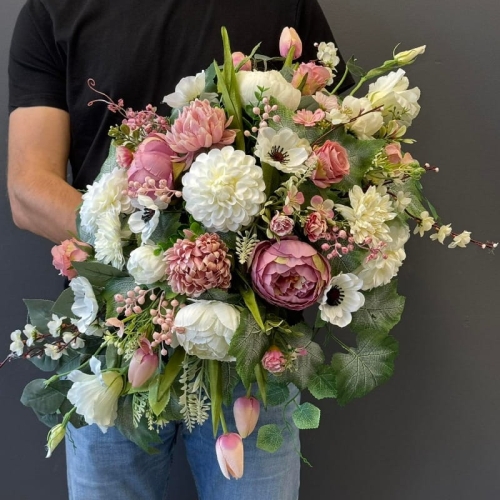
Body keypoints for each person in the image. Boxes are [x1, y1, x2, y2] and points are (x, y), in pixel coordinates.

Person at [7, 1, 353, 498]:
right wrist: (156, 257)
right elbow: (28, 188)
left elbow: (337, 148)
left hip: (253, 344)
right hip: (114, 334)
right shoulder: (53, 8)